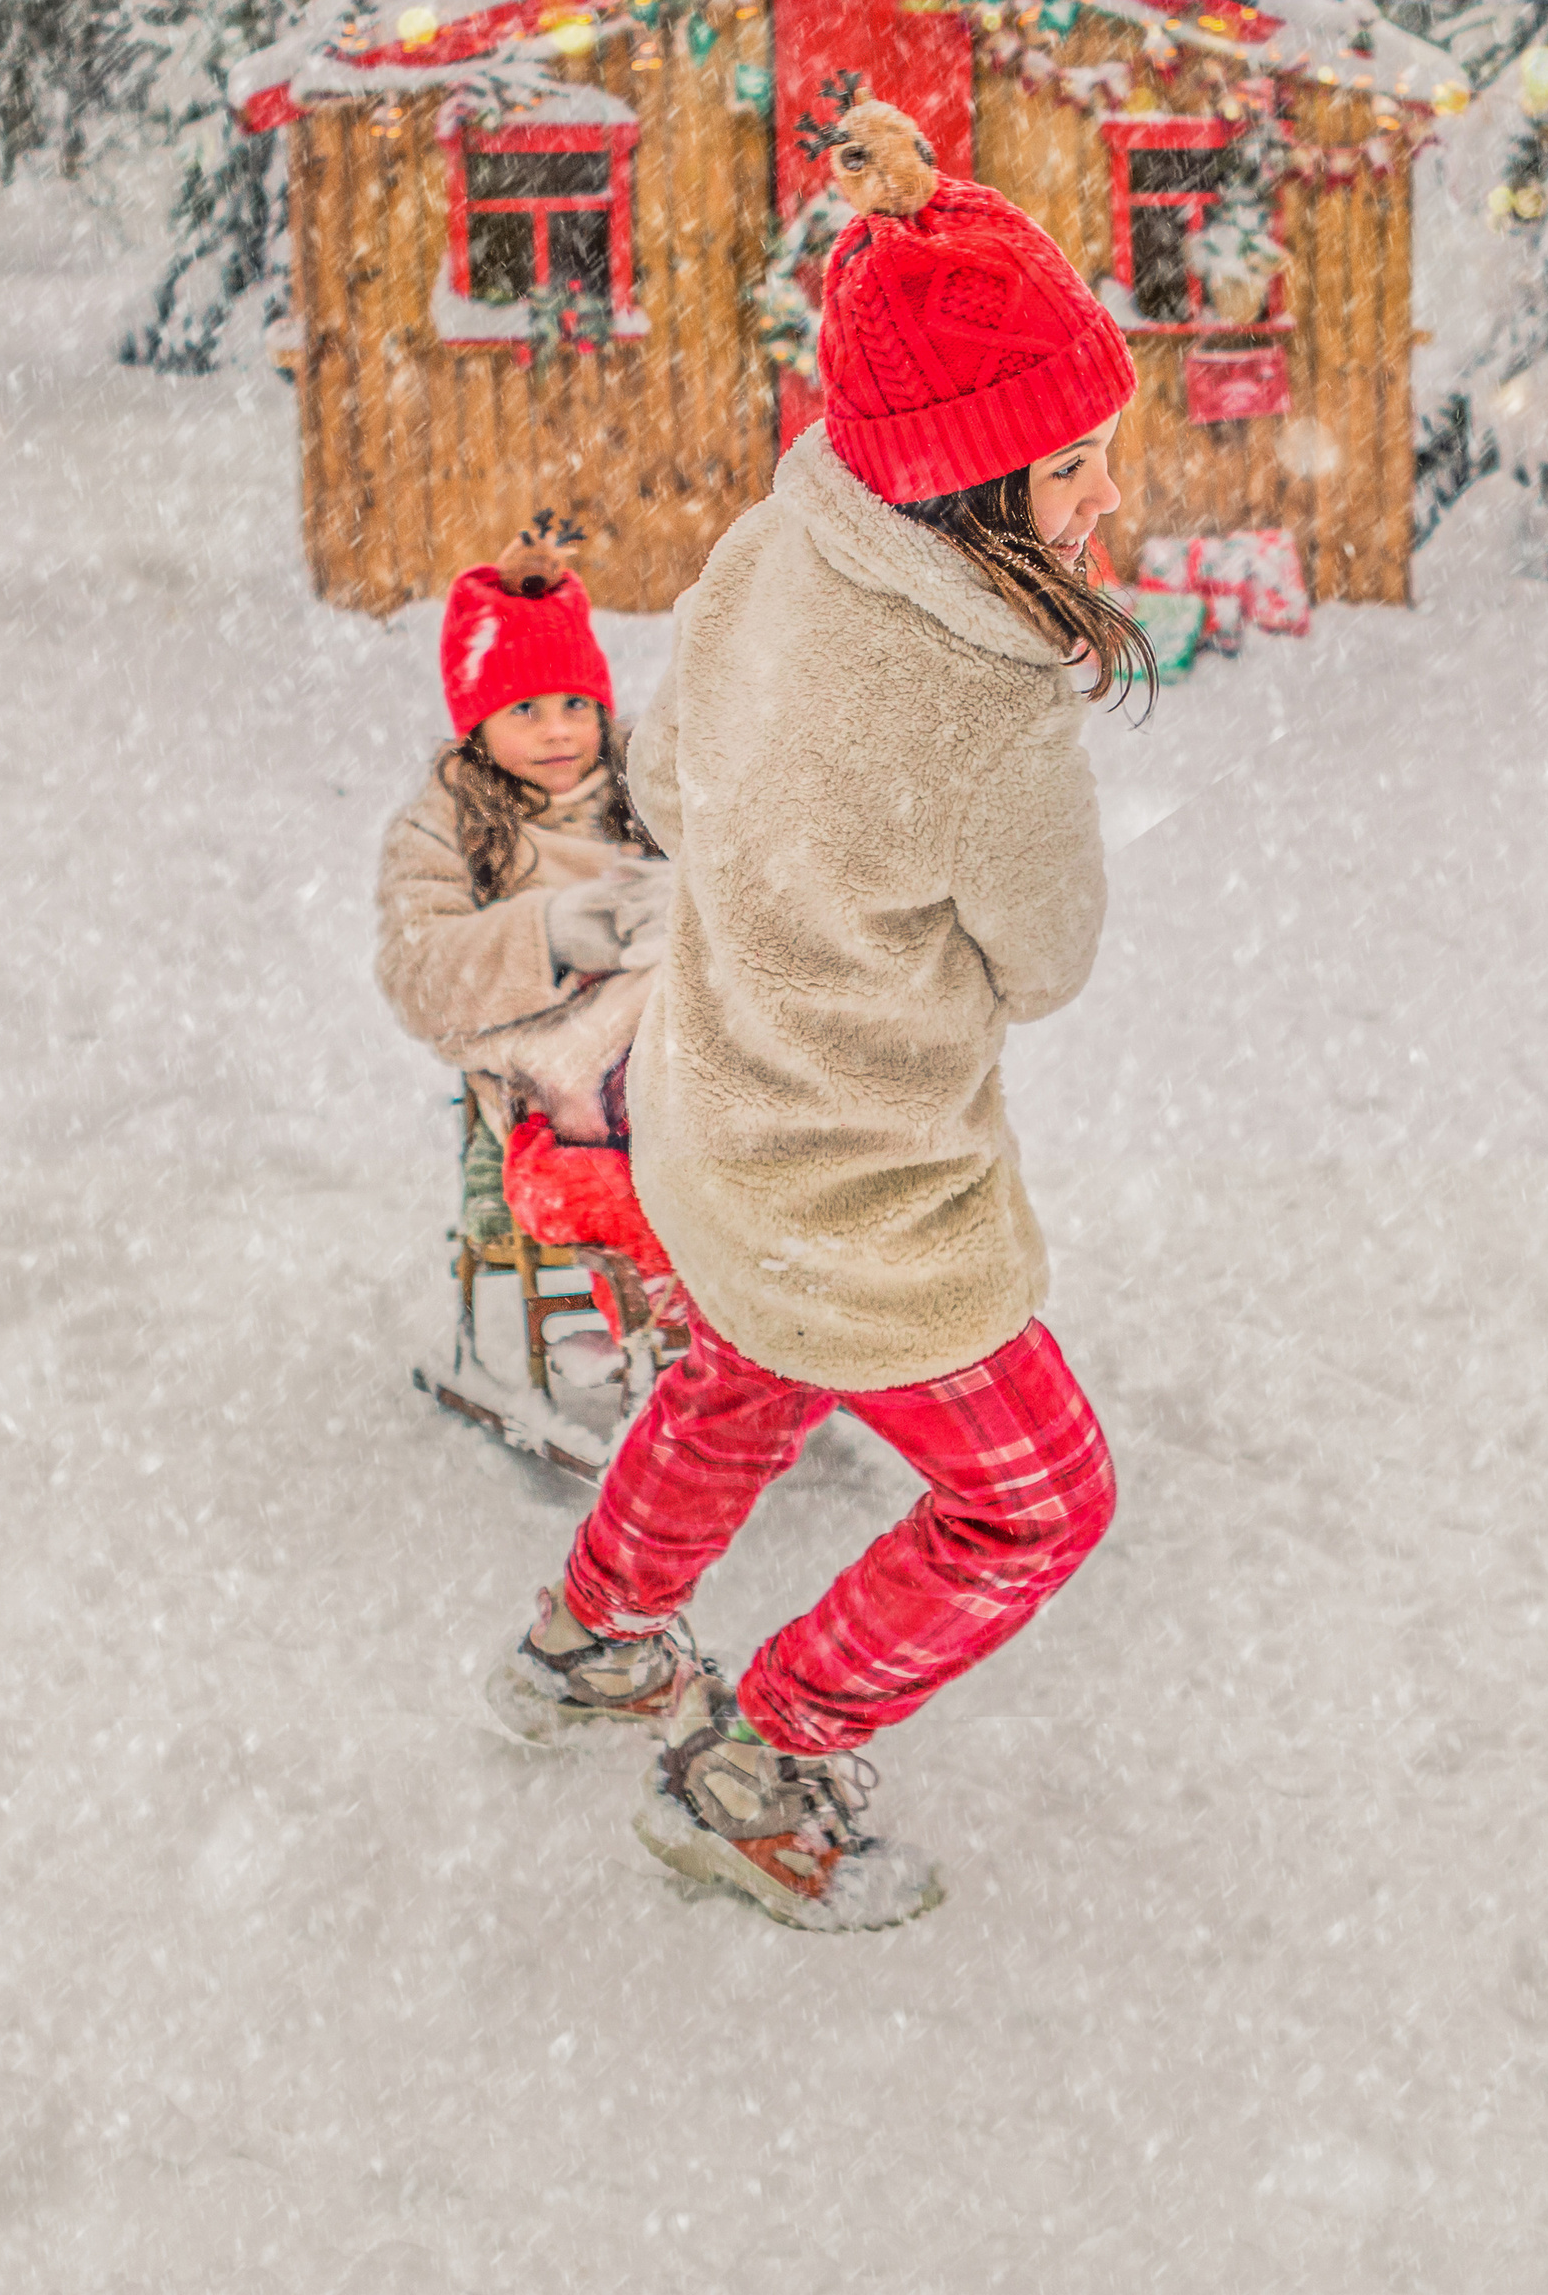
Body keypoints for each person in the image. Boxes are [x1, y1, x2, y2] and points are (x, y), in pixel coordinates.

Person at [487, 100, 1154, 1934]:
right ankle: (759, 1759)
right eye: (1082, 465)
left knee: (735, 1370)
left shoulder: (781, 547)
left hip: (713, 1124)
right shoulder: (991, 699)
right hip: (863, 1196)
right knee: (1038, 1503)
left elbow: (674, 779)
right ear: (987, 472)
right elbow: (1048, 959)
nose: (1110, 499)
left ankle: (585, 1641)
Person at [375, 526, 676, 1297]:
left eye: (577, 704)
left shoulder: (645, 784)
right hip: (541, 1093)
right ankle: (685, 1331)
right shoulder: (443, 824)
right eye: (526, 710)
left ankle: (752, 1332)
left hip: (680, 1055)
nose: (559, 730)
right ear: (477, 721)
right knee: (637, 1184)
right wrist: (550, 935)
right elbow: (418, 974)